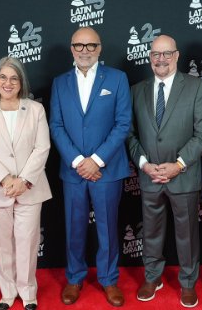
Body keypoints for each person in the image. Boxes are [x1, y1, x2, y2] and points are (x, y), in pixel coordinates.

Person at [127, 35, 202, 308]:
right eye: (155, 54)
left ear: (176, 56)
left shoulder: (197, 87)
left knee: (187, 234)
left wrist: (177, 165)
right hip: (150, 176)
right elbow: (129, 135)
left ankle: (188, 282)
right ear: (149, 58)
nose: (160, 59)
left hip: (183, 176)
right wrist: (144, 164)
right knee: (150, 231)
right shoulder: (136, 90)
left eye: (166, 54)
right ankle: (153, 277)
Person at [49, 27, 131, 307]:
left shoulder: (118, 79)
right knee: (74, 227)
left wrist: (95, 160)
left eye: (91, 45)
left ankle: (109, 280)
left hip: (106, 168)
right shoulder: (60, 83)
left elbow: (123, 124)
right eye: (79, 45)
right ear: (72, 49)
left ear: (99, 48)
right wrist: (77, 161)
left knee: (108, 228)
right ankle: (74, 277)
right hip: (73, 170)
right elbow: (56, 125)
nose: (85, 50)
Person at [0, 57, 52, 310]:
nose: (8, 83)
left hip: (30, 188)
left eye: (14, 78)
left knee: (27, 243)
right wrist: (7, 179)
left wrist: (24, 180)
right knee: (2, 245)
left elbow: (42, 147)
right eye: (3, 78)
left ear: (21, 82)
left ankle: (28, 293)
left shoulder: (35, 109)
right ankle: (7, 293)